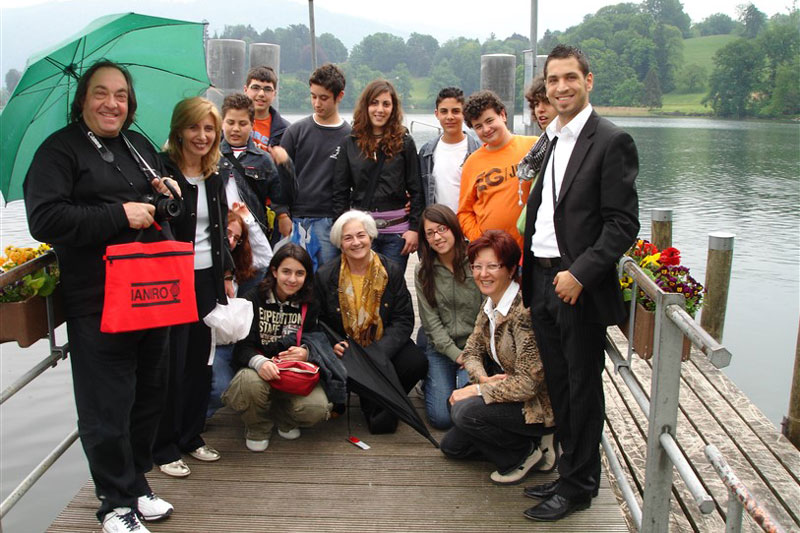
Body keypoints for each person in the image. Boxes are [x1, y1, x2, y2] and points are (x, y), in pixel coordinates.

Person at [24, 60, 175, 533]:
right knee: (106, 406)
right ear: (83, 100)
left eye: (121, 95)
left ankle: (137, 483)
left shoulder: (138, 146)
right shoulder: (58, 151)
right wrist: (118, 215)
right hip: (99, 299)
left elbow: (160, 209)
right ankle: (114, 504)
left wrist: (167, 192)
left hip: (151, 292)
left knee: (148, 396)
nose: (112, 104)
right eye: (101, 93)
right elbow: (44, 219)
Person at [521, 45, 639, 522]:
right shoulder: (551, 137)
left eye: (570, 77)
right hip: (542, 279)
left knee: (583, 388)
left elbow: (622, 223)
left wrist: (581, 274)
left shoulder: (611, 140)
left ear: (588, 81)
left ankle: (580, 488)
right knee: (560, 385)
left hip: (577, 286)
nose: (561, 87)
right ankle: (569, 472)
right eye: (553, 79)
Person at [153, 97, 234, 479]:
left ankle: (191, 435)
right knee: (172, 364)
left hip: (206, 279)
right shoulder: (160, 170)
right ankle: (164, 446)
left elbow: (218, 228)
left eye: (209, 129)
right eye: (194, 127)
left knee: (202, 360)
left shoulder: (214, 175)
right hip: (172, 279)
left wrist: (226, 275)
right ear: (179, 130)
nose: (202, 136)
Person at [440, 230, 556, 486]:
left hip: (536, 405)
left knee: (464, 411)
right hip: (508, 391)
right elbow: (471, 351)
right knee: (452, 446)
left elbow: (529, 384)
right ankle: (529, 442)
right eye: (477, 266)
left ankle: (523, 454)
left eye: (493, 266)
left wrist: (477, 390)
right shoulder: (491, 303)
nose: (483, 274)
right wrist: (482, 379)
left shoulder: (524, 311)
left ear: (512, 269)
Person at [316, 210, 428, 434]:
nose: (356, 242)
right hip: (347, 348)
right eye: (348, 238)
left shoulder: (391, 270)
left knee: (416, 361)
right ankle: (367, 395)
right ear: (340, 243)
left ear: (371, 236)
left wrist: (378, 352)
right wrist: (333, 343)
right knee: (380, 425)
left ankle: (377, 398)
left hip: (380, 343)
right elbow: (318, 321)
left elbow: (404, 319)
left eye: (361, 235)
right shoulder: (326, 275)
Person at [222, 244, 333, 452]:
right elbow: (241, 347)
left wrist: (306, 351)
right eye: (286, 271)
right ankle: (257, 427)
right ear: (274, 271)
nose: (292, 279)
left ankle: (284, 416)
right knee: (247, 384)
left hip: (292, 372)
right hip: (258, 370)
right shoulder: (253, 298)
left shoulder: (310, 303)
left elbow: (318, 338)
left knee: (317, 408)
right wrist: (260, 363)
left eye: (299, 273)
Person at [332, 79, 423, 272]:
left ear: (393, 108)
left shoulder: (405, 142)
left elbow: (416, 189)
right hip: (361, 232)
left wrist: (414, 229)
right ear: (366, 106)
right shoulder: (350, 143)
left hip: (396, 233)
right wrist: (343, 231)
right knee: (361, 284)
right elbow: (340, 192)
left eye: (386, 104)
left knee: (392, 285)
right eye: (374, 103)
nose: (380, 109)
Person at [218, 92, 295, 292]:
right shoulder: (211, 156)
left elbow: (283, 196)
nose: (236, 129)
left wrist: (286, 165)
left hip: (252, 242)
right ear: (222, 122)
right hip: (220, 240)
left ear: (252, 124)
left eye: (242, 123)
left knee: (252, 299)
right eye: (230, 122)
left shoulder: (263, 159)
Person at [414, 204, 482, 429]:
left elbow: (487, 313)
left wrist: (471, 354)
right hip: (441, 348)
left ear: (454, 228)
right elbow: (430, 322)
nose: (437, 237)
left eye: (442, 229)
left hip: (475, 347)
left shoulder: (475, 260)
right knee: (442, 419)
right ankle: (429, 382)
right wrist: (456, 355)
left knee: (463, 409)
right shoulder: (423, 271)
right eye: (430, 233)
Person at [280, 63, 351, 267]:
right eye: (313, 96)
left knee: (326, 278)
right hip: (296, 218)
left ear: (339, 96)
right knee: (294, 276)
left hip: (330, 221)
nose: (317, 103)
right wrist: (282, 213)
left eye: (324, 98)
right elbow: (279, 179)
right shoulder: (295, 132)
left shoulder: (349, 137)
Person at [457, 90, 536, 249]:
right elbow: (464, 212)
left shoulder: (534, 146)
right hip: (493, 254)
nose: (486, 129)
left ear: (503, 115)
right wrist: (481, 241)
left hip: (532, 248)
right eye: (478, 126)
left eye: (489, 120)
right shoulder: (472, 163)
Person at [206, 210, 257, 418]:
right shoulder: (202, 260)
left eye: (237, 238)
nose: (232, 241)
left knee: (223, 388)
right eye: (228, 234)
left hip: (227, 343)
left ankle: (198, 418)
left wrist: (249, 222)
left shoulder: (238, 268)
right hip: (203, 339)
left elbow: (267, 258)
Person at [418, 87, 481, 212]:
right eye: (444, 111)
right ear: (437, 114)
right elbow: (419, 192)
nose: (450, 117)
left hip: (469, 221)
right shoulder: (426, 153)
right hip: (438, 222)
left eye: (456, 111)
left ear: (464, 113)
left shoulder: (478, 151)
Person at [243, 65, 290, 151]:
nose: (261, 94)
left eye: (267, 89)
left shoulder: (286, 131)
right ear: (245, 90)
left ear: (274, 94)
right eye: (255, 88)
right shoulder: (229, 123)